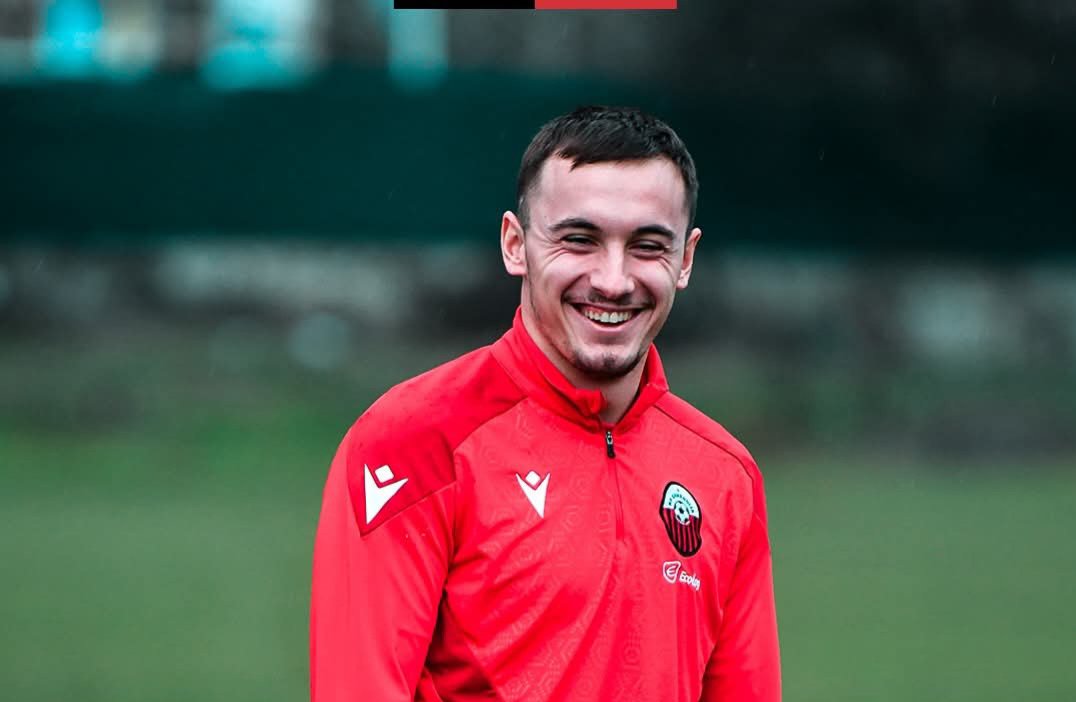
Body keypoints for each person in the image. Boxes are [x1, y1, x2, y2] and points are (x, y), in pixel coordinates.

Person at [310, 105, 781, 701]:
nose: (613, 280)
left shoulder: (725, 476)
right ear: (516, 245)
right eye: (580, 240)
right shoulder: (412, 444)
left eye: (647, 246)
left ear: (684, 260)